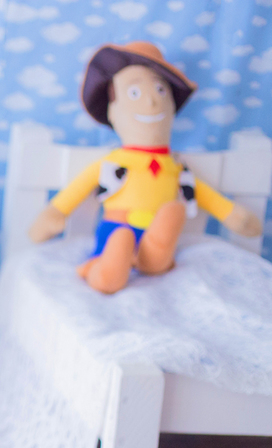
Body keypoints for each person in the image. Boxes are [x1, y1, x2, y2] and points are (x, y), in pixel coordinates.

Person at [28, 42, 262, 293]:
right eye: (135, 93)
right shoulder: (113, 163)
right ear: (113, 110)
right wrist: (54, 214)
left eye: (160, 90)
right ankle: (106, 273)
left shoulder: (175, 169)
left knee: (172, 214)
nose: (151, 101)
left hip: (153, 237)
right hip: (117, 229)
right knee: (119, 242)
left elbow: (204, 194)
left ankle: (155, 258)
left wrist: (232, 215)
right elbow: (77, 189)